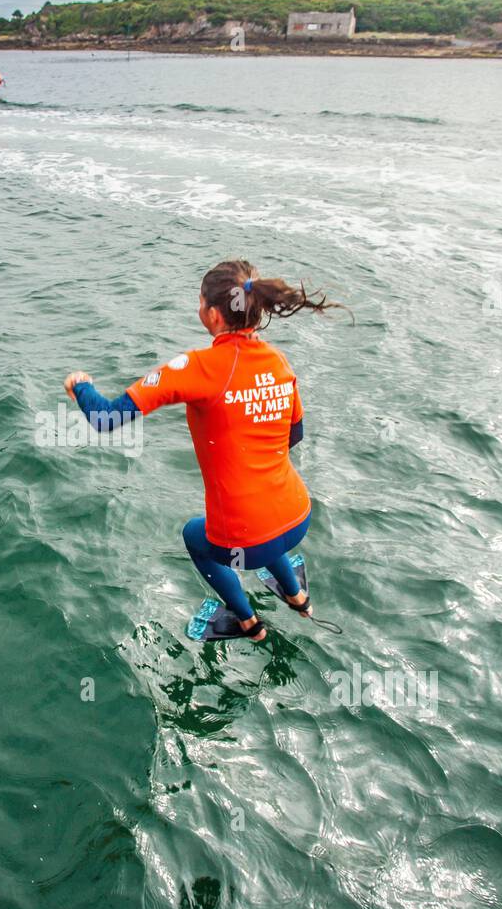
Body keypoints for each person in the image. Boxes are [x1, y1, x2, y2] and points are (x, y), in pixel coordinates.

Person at [63, 260, 343, 641]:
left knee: (196, 537)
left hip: (246, 536)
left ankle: (249, 624)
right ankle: (297, 596)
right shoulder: (278, 360)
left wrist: (81, 385)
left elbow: (106, 418)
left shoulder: (197, 367)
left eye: (199, 302)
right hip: (297, 516)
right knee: (261, 524)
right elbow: (294, 436)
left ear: (212, 314)